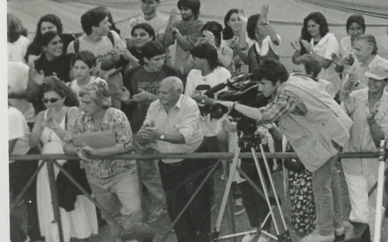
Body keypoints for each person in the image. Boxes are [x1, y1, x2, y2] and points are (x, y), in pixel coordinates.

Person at [198, 59, 353, 242]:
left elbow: (265, 115)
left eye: (263, 83)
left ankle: (325, 231)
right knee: (330, 183)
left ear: (277, 81)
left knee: (321, 187)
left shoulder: (287, 94)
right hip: (335, 131)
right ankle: (337, 226)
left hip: (324, 139)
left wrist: (230, 104)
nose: (260, 88)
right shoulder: (295, 78)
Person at [136, 75, 207, 242]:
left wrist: (158, 135)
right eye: (159, 92)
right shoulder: (154, 106)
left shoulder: (190, 105)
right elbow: (144, 133)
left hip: (194, 158)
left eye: (165, 93)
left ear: (178, 92)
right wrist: (142, 137)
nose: (160, 96)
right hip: (168, 162)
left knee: (198, 204)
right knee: (175, 206)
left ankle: (204, 239)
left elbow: (184, 137)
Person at [31, 77, 100, 242]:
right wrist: (40, 124)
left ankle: (79, 235)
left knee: (72, 200)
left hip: (66, 161)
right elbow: (32, 142)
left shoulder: (72, 111)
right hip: (47, 163)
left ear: (63, 98)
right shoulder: (41, 114)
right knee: (50, 200)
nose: (49, 103)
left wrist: (54, 125)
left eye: (53, 99)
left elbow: (72, 139)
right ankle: (58, 236)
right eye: (45, 100)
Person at [69, 77, 143, 228]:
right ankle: (119, 237)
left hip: (122, 173)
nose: (83, 106)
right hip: (95, 176)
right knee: (110, 215)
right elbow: (68, 144)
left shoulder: (117, 116)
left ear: (101, 102)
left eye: (88, 103)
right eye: (82, 102)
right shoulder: (80, 119)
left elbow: (126, 145)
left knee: (133, 210)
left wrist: (95, 152)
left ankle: (130, 237)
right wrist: (78, 150)